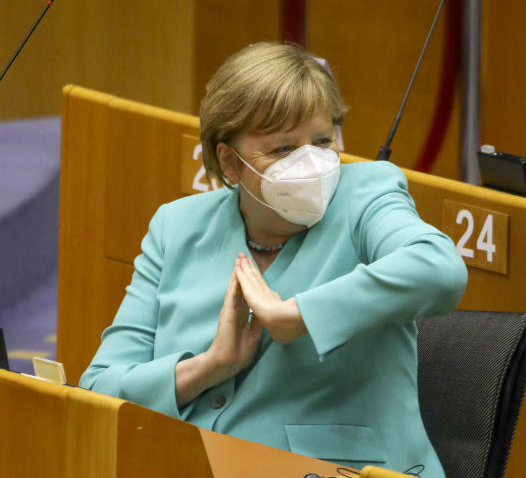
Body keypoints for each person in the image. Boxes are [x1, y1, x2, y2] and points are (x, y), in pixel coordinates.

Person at [80, 42, 468, 476]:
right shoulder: (177, 226)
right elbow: (99, 388)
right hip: (185, 462)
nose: (312, 163)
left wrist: (299, 316)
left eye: (322, 141)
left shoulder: (366, 195)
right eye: (283, 149)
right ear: (230, 162)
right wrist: (210, 367)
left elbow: (439, 268)